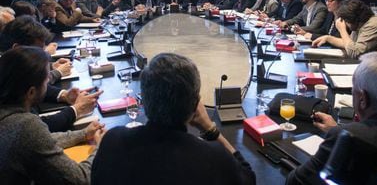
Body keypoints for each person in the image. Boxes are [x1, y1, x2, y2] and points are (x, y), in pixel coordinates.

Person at [92, 53, 256, 185]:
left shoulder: (112, 141)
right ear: (195, 105)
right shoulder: (214, 158)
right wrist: (210, 129)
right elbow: (249, 178)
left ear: (143, 101)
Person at [286, 52, 377, 185]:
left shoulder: (347, 138)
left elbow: (295, 181)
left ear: (363, 99)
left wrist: (340, 133)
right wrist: (339, 129)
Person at [0, 46, 106, 185]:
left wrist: (84, 134)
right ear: (31, 92)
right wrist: (102, 148)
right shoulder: (25, 125)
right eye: (46, 80)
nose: (48, 84)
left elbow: (42, 140)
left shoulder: (11, 117)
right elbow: (81, 179)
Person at [0, 15, 102, 132]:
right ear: (17, 48)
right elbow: (33, 130)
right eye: (38, 51)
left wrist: (64, 95)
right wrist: (76, 110)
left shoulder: (11, 68)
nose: (44, 56)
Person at [313, 0, 377, 58]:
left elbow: (355, 52)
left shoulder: (373, 25)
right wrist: (328, 38)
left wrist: (342, 30)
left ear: (351, 19)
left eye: (346, 21)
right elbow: (349, 44)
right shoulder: (359, 23)